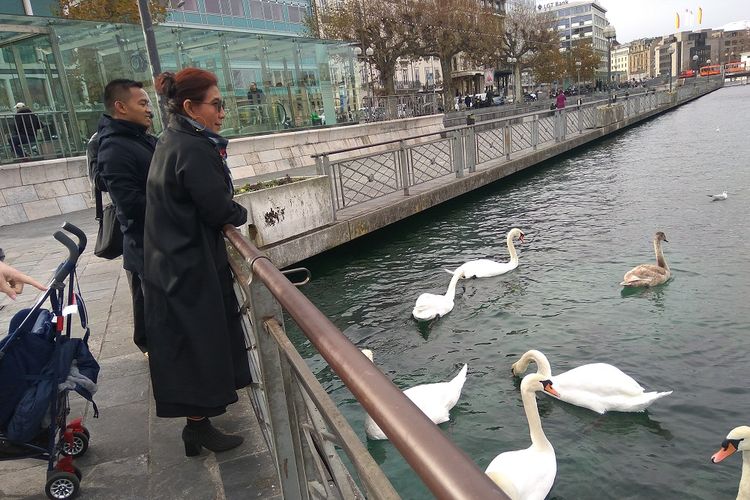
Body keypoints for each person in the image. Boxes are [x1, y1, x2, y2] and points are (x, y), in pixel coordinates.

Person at [144, 68, 250, 456]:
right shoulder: (192, 147)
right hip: (187, 266)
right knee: (199, 346)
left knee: (192, 347)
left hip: (173, 262)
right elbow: (216, 207)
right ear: (191, 106)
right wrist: (239, 214)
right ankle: (199, 428)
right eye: (216, 104)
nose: (222, 112)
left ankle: (198, 428)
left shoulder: (173, 138)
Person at [96, 79, 157, 354]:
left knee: (146, 300)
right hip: (144, 242)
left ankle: (151, 347)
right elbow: (131, 203)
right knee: (151, 305)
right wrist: (174, 206)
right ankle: (154, 352)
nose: (149, 110)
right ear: (121, 106)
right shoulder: (114, 147)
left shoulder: (138, 138)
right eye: (142, 103)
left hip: (151, 243)